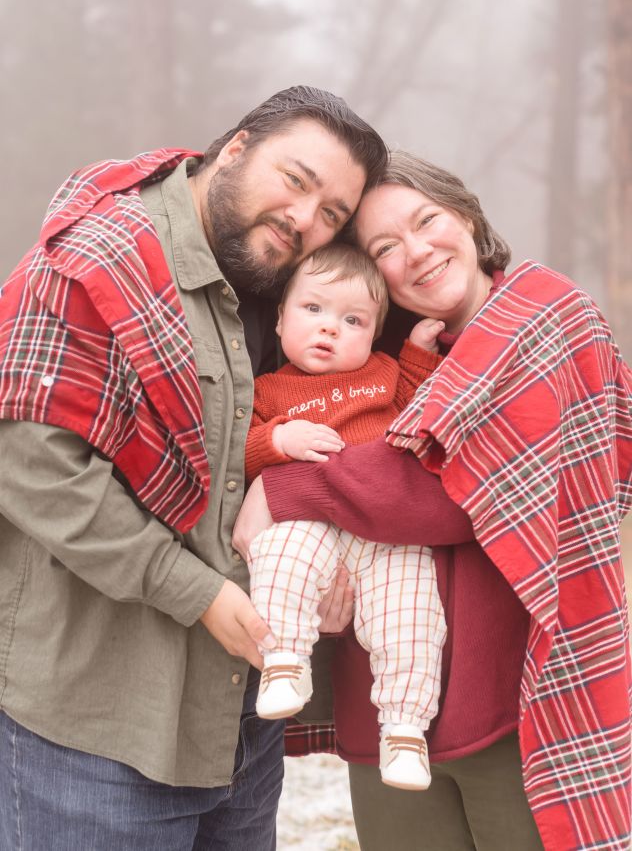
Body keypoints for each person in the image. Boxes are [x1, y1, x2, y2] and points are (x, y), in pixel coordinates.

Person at [0, 85, 388, 851]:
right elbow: (30, 464)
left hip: (237, 728)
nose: (305, 219)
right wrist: (197, 591)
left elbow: (300, 445)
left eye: (332, 214)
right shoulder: (101, 260)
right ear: (236, 148)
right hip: (96, 731)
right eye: (296, 180)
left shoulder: (290, 297)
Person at [233, 150, 632, 851]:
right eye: (385, 247)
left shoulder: (542, 318)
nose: (415, 253)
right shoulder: (371, 353)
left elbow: (452, 490)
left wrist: (287, 485)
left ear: (469, 218)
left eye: (427, 222)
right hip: (386, 712)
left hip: (511, 702)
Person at [244, 241, 448, 790]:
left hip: (384, 531)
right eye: (313, 310)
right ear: (281, 319)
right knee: (278, 556)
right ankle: (284, 660)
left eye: (352, 319)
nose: (330, 329)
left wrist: (421, 348)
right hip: (309, 521)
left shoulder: (383, 373)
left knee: (411, 610)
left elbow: (418, 393)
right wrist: (278, 438)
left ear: (375, 332)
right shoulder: (267, 390)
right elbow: (242, 448)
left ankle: (405, 730)